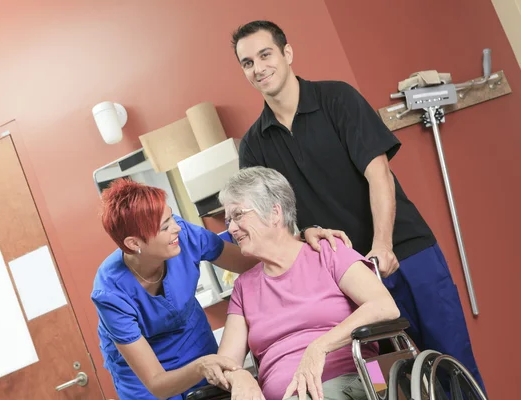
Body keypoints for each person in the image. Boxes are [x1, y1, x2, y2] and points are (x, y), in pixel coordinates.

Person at [229, 20, 484, 390]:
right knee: (394, 385)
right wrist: (304, 232)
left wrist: (383, 245)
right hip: (347, 282)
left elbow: (378, 174)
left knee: (452, 366)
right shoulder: (254, 146)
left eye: (265, 54)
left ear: (287, 53)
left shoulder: (338, 99)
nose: (258, 67)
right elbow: (271, 217)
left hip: (406, 254)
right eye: (247, 62)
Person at [91, 178, 350, 399]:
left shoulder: (184, 237)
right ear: (134, 242)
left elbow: (245, 258)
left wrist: (302, 236)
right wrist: (222, 371)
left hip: (195, 344)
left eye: (171, 218)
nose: (177, 227)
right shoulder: (110, 293)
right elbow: (156, 383)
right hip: (146, 377)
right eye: (165, 226)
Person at [216, 166, 400, 400]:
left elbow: (385, 307)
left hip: (367, 378)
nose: (231, 228)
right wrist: (239, 376)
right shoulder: (244, 287)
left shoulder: (328, 251)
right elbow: (226, 363)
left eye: (238, 215)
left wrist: (319, 347)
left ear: (274, 213)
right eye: (228, 220)